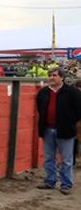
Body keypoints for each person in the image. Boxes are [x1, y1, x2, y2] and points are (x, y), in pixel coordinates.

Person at [36, 67, 81, 195]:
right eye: (50, 75)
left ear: (62, 77)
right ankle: (50, 181)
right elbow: (40, 109)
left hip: (65, 129)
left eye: (54, 75)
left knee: (66, 159)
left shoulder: (72, 92)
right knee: (49, 157)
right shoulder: (43, 92)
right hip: (48, 128)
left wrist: (70, 122)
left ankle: (66, 184)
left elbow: (79, 110)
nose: (51, 77)